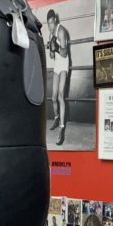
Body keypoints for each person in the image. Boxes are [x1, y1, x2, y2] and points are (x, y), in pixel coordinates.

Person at [45, 10, 72, 147]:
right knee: (53, 97)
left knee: (61, 95)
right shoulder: (51, 33)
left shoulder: (61, 32)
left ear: (55, 20)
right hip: (56, 65)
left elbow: (64, 53)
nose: (50, 26)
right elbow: (52, 56)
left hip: (64, 65)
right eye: (48, 24)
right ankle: (56, 118)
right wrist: (51, 48)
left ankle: (62, 128)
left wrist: (55, 48)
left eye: (51, 23)